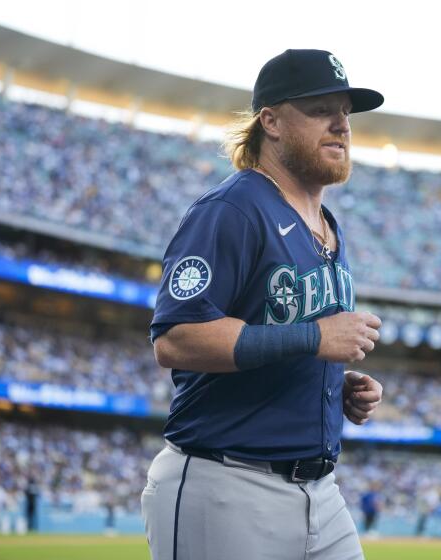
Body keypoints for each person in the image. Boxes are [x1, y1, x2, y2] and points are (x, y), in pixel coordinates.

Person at [141, 49, 386, 560]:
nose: (341, 125)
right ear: (270, 121)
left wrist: (331, 387)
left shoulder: (329, 223)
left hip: (320, 491)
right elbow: (177, 338)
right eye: (321, 109)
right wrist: (315, 339)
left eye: (345, 112)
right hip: (226, 484)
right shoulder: (233, 209)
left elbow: (275, 335)